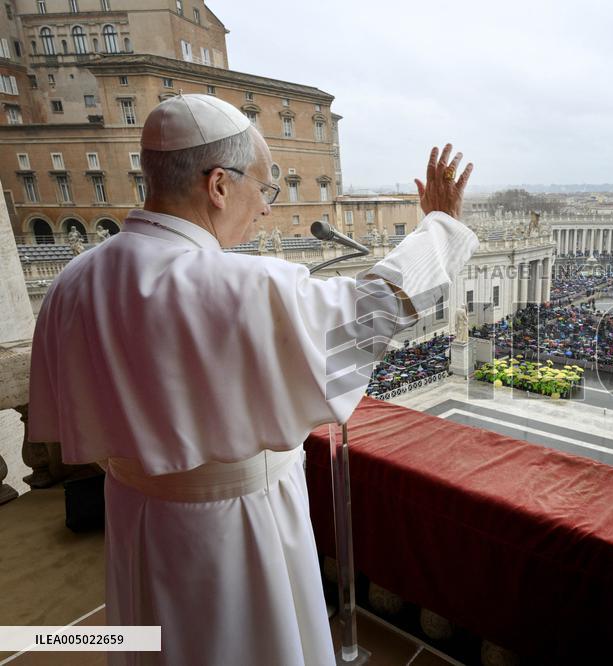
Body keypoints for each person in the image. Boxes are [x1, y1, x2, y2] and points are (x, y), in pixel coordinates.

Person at [27, 94, 479, 665]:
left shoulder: (72, 280)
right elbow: (375, 307)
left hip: (136, 515)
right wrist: (440, 226)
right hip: (234, 527)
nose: (266, 210)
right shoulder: (244, 285)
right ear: (219, 184)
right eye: (264, 190)